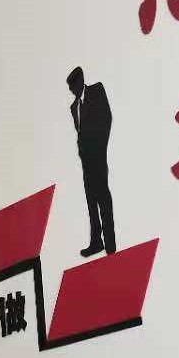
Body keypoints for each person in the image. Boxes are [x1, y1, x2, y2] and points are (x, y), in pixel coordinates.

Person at [67, 66, 116, 257]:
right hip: (86, 162)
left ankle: (110, 245)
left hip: (98, 156)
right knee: (91, 202)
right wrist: (82, 151)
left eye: (73, 86)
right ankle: (96, 242)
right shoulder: (74, 108)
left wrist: (99, 148)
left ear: (80, 82)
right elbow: (80, 133)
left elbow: (107, 119)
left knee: (103, 200)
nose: (71, 90)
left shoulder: (97, 91)